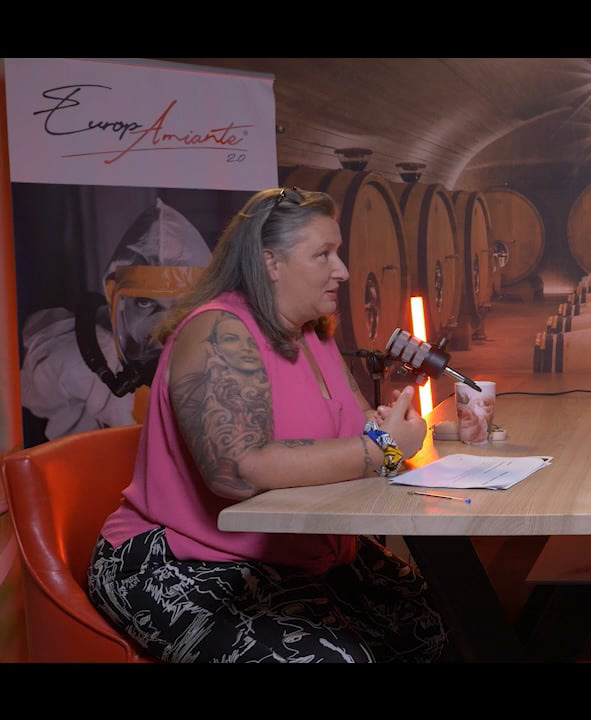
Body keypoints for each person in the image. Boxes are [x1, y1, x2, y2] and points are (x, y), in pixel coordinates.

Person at [86, 187, 449, 663]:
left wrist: (392, 424)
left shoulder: (313, 333)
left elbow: (359, 421)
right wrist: (384, 448)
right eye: (323, 254)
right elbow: (236, 472)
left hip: (295, 550)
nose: (342, 270)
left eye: (337, 252)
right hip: (182, 558)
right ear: (270, 262)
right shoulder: (218, 331)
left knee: (430, 624)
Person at [20, 197, 210, 441]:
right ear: (115, 298)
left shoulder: (233, 369)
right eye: (145, 303)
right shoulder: (70, 362)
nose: (161, 329)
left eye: (181, 307)